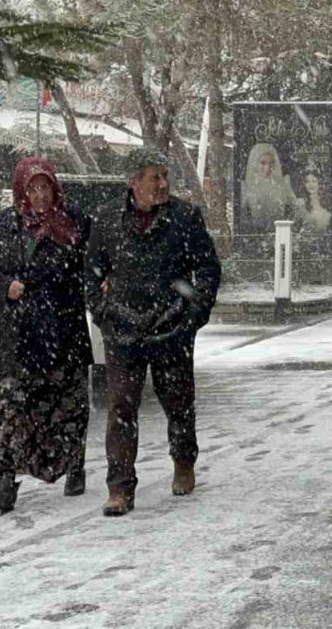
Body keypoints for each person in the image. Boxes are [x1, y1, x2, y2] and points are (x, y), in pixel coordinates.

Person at [87, 148, 222, 517]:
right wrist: (104, 313)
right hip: (124, 330)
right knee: (121, 409)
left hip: (171, 328)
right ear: (134, 182)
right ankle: (119, 487)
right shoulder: (108, 218)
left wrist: (193, 315)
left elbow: (208, 269)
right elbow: (92, 272)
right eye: (154, 177)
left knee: (178, 404)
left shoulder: (184, 217)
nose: (162, 184)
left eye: (165, 176)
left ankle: (183, 461)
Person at [0, 157, 93, 513]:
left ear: (55, 187)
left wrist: (75, 291)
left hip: (62, 328)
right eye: (32, 188)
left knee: (67, 404)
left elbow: (94, 264)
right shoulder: (6, 222)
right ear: (22, 189)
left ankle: (74, 464)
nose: (39, 195)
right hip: (17, 331)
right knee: (10, 406)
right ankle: (5, 483)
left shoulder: (74, 221)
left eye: (45, 187)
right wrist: (7, 285)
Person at [241, 142, 297, 232]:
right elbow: (241, 217)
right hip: (254, 237)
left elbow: (295, 210)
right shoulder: (246, 187)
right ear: (254, 163)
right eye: (263, 163)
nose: (267, 168)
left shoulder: (283, 185)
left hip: (281, 234)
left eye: (271, 164)